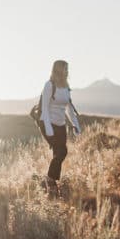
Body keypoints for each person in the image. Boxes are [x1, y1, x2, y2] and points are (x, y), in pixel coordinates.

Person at [40, 60, 81, 197]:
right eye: (65, 68)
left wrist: (75, 125)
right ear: (58, 69)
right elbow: (44, 109)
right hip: (49, 123)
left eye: (67, 68)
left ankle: (50, 186)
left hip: (61, 125)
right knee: (62, 152)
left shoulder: (66, 87)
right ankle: (50, 181)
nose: (67, 71)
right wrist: (48, 130)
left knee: (58, 154)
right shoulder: (49, 85)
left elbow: (69, 108)